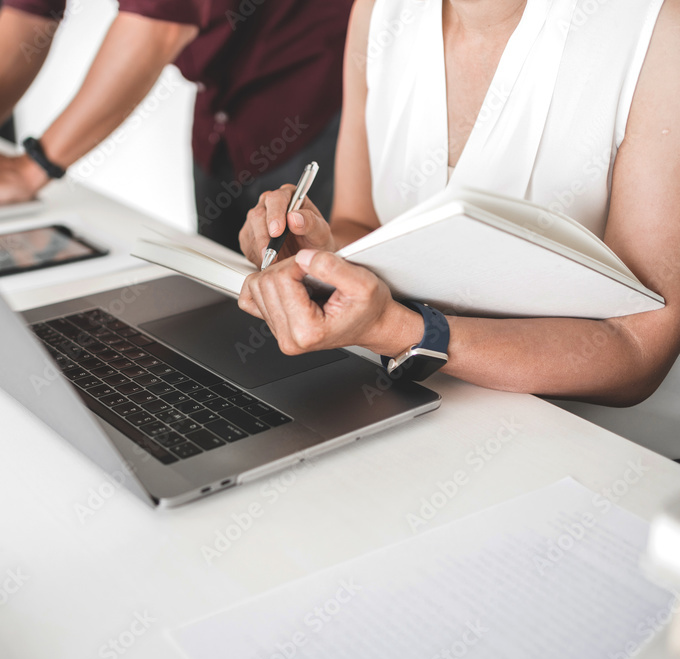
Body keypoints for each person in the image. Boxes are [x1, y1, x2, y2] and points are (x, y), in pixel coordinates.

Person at [235, 0, 680, 424]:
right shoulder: (378, 13)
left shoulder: (657, 30)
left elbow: (638, 349)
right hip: (413, 403)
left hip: (591, 443)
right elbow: (360, 223)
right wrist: (321, 256)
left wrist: (404, 331)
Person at [0, 0, 349, 252]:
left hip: (309, 91)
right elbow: (31, 13)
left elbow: (157, 24)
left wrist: (29, 169)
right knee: (229, 293)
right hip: (219, 106)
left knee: (311, 289)